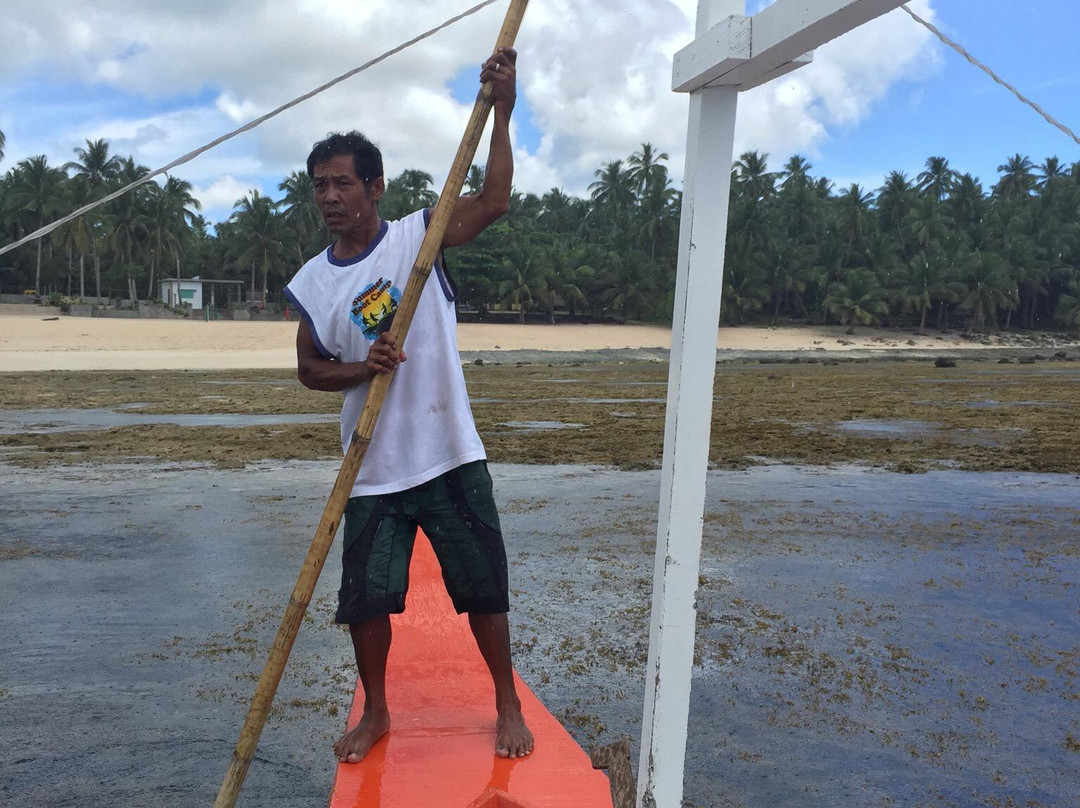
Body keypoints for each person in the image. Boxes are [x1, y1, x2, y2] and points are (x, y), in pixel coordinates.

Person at [282, 47, 533, 763]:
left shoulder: (415, 235)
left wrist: (503, 112)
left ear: (375, 187)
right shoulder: (311, 281)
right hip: (371, 469)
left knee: (484, 587)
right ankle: (379, 713)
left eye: (342, 184)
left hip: (448, 451)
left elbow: (494, 201)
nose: (329, 197)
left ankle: (506, 701)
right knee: (365, 601)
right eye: (319, 186)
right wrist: (364, 367)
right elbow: (308, 368)